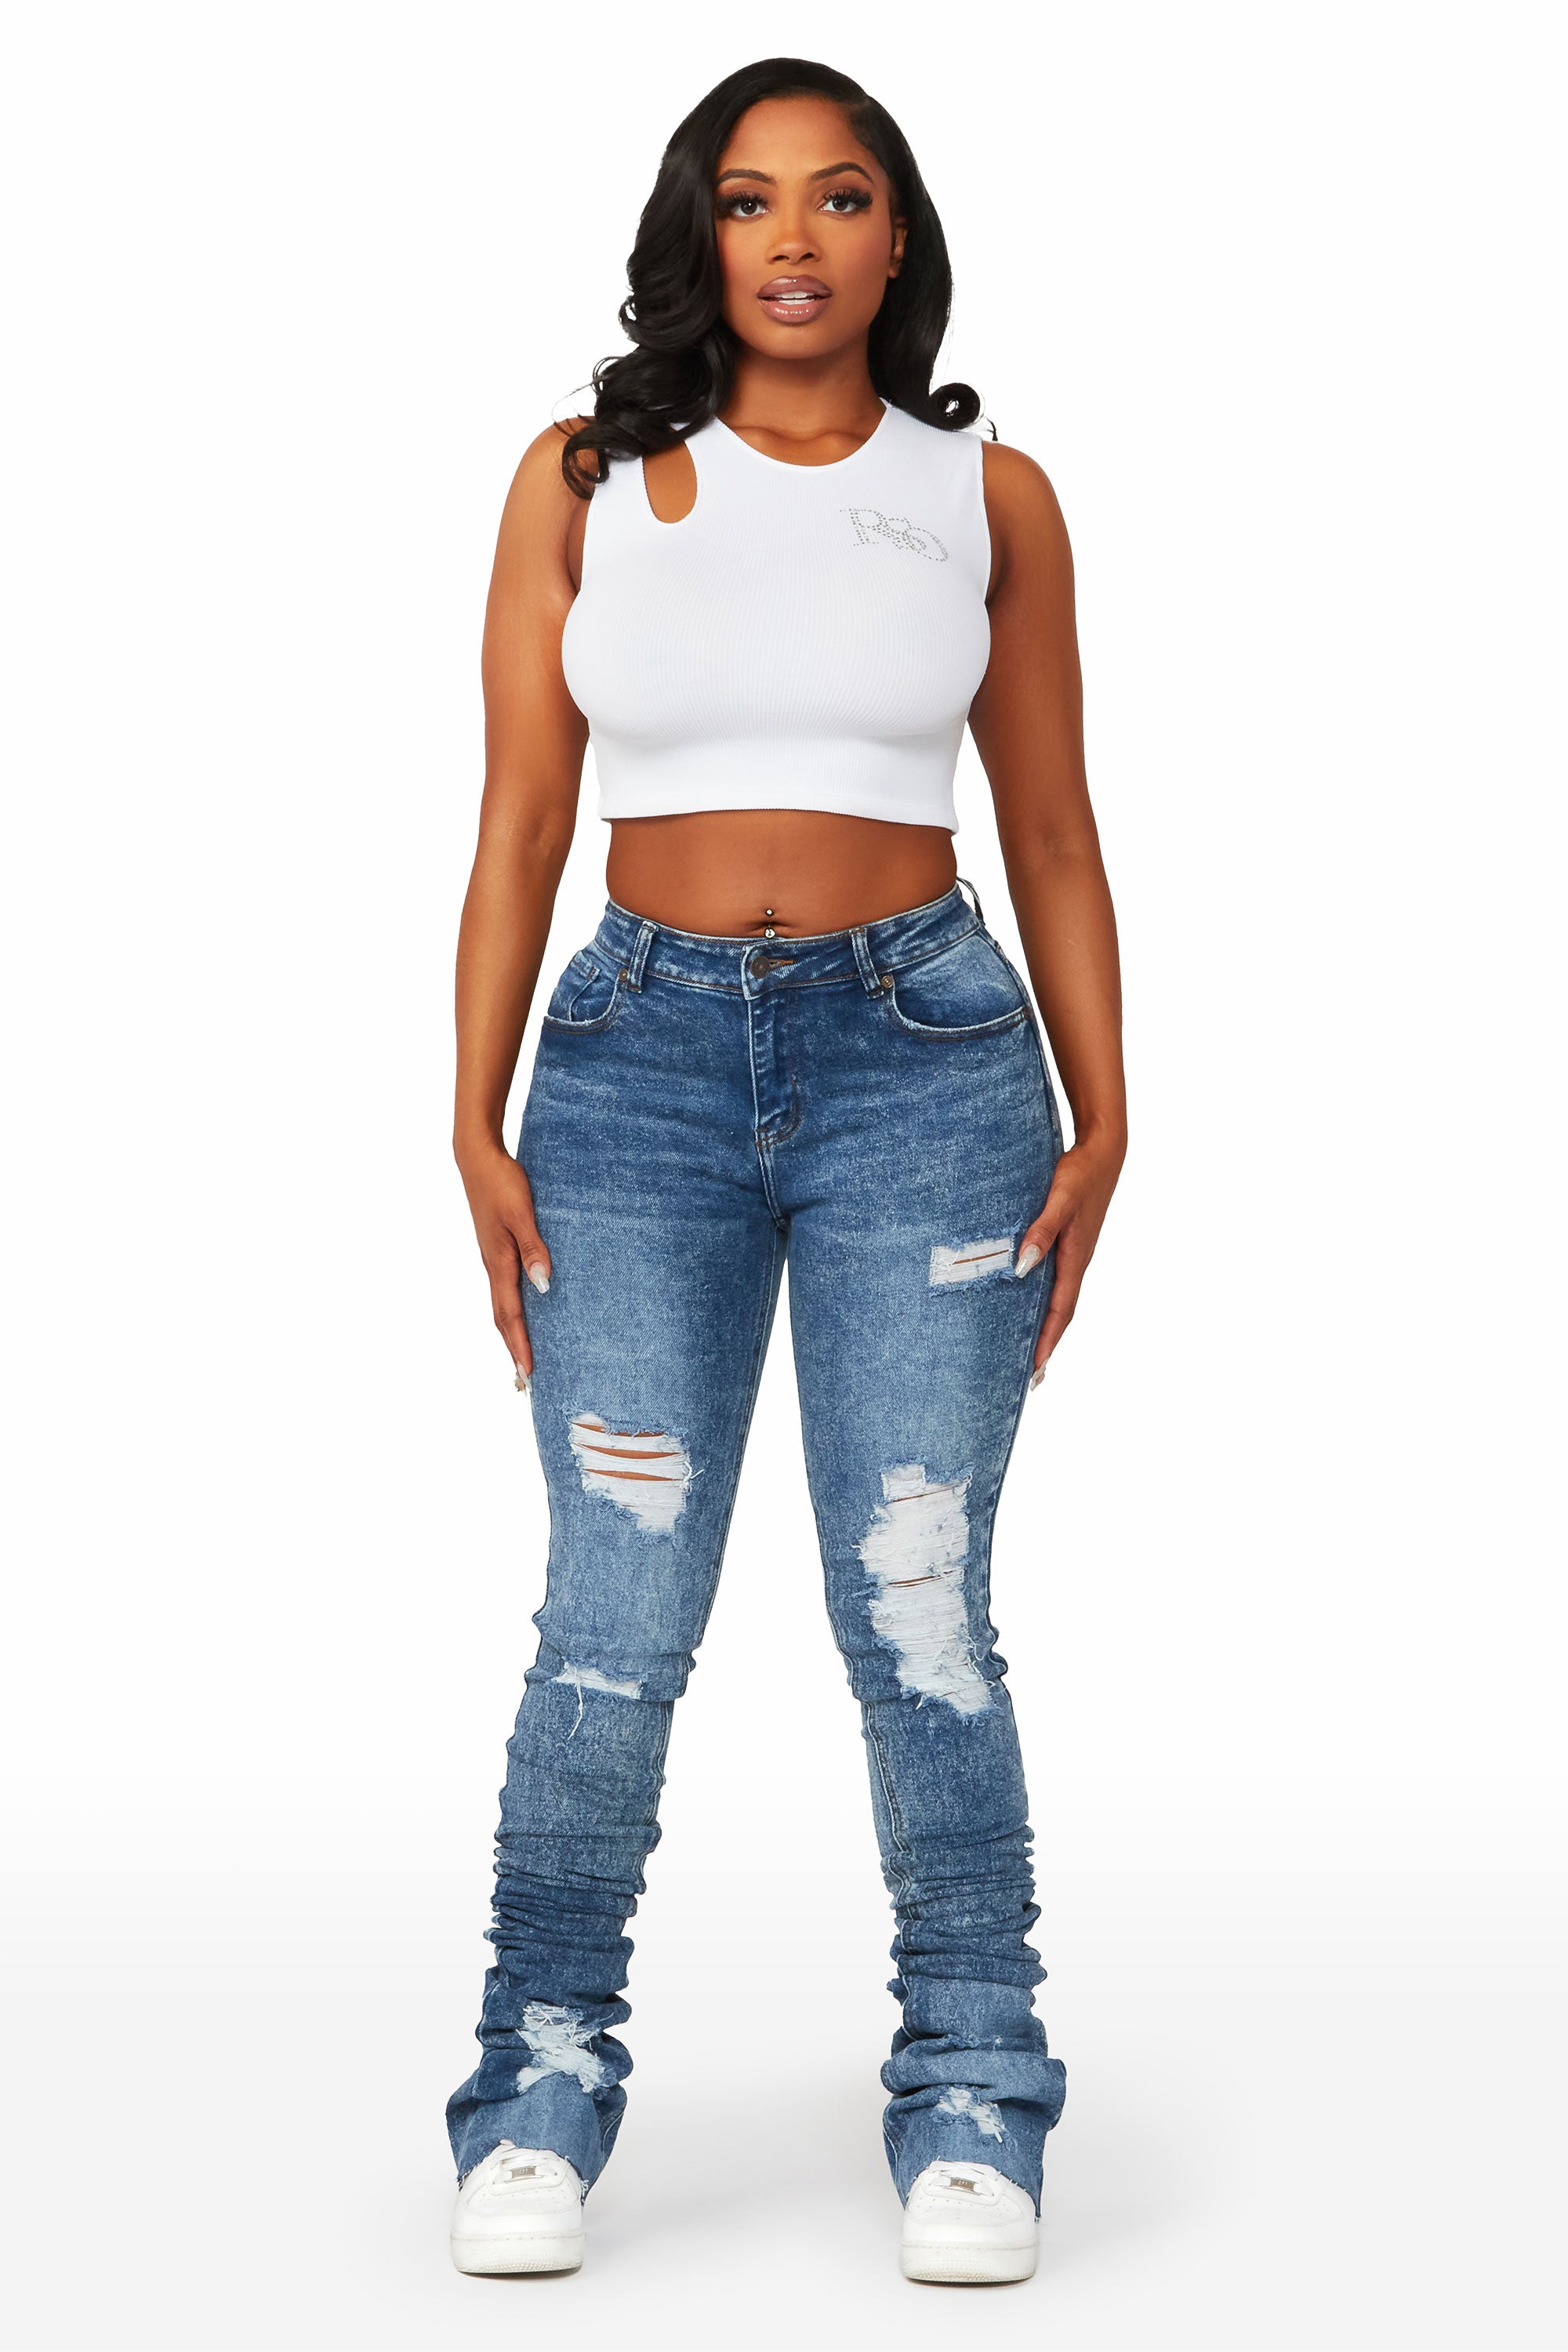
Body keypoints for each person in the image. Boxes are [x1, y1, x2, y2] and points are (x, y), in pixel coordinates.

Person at [444, 55, 1126, 2286]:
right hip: (630, 1071)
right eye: (751, 202)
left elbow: (1049, 827)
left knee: (918, 1599)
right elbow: (521, 827)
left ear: (896, 234)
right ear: (701, 234)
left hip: (925, 1063)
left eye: (839, 198)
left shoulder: (987, 496)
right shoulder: (582, 479)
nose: (797, 241)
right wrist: (472, 1117)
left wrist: (1111, 1109)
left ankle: (976, 2082)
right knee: (613, 1615)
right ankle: (538, 2079)